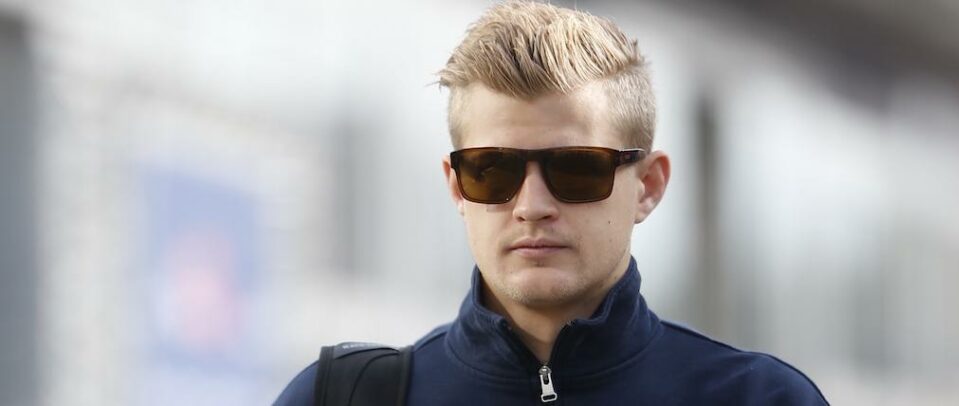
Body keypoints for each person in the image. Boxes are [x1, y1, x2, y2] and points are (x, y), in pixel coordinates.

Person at [276, 1, 828, 404]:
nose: (532, 205)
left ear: (649, 186)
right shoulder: (337, 400)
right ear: (456, 186)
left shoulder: (758, 400)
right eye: (492, 170)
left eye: (576, 167)